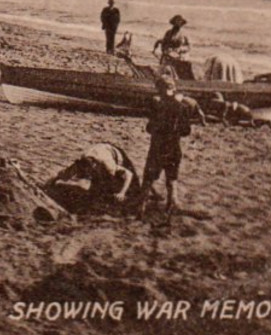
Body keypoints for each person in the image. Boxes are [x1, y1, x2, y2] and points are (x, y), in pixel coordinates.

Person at [134, 76, 201, 217]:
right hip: (173, 146)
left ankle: (141, 206)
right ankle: (172, 204)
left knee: (149, 178)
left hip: (157, 146)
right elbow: (185, 131)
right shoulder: (183, 106)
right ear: (173, 88)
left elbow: (150, 128)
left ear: (159, 88)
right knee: (172, 178)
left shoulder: (157, 104)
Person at [50, 143, 137, 206]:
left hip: (117, 154)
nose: (87, 173)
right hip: (100, 150)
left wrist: (121, 193)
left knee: (129, 190)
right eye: (86, 171)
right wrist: (53, 181)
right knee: (96, 189)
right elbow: (64, 174)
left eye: (89, 170)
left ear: (94, 165)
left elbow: (129, 174)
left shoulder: (108, 165)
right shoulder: (81, 163)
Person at [155, 14, 194, 79]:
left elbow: (189, 46)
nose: (177, 25)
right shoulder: (168, 33)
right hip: (169, 56)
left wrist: (180, 49)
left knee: (183, 67)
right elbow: (164, 43)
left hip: (180, 56)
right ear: (173, 24)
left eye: (179, 23)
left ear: (181, 24)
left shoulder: (184, 34)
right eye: (176, 23)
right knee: (164, 68)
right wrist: (164, 49)